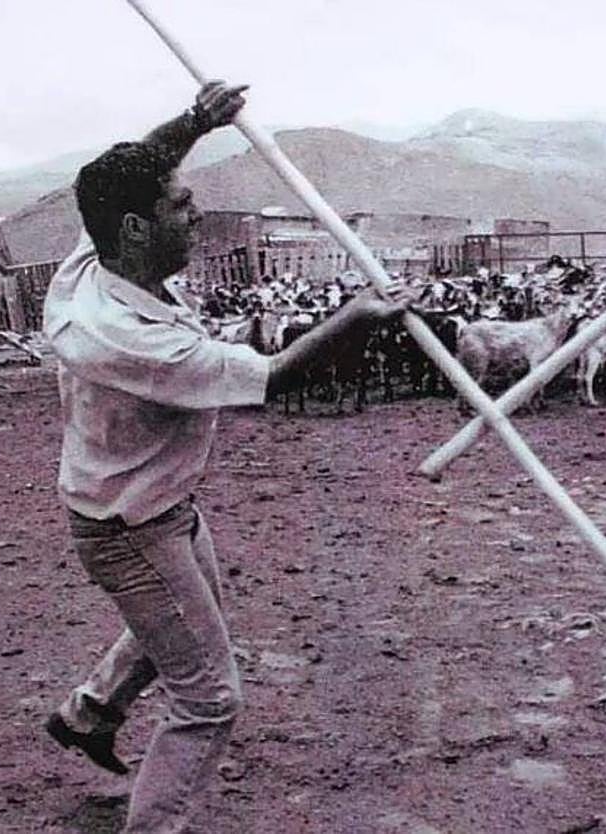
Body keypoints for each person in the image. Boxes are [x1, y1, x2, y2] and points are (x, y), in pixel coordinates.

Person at [41, 80, 411, 833]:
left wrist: (193, 123)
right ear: (140, 229)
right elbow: (271, 376)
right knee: (209, 699)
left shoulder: (92, 259)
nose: (196, 213)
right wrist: (357, 318)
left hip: (151, 508)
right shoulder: (130, 337)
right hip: (130, 525)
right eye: (181, 205)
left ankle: (89, 713)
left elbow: (140, 166)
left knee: (182, 624)